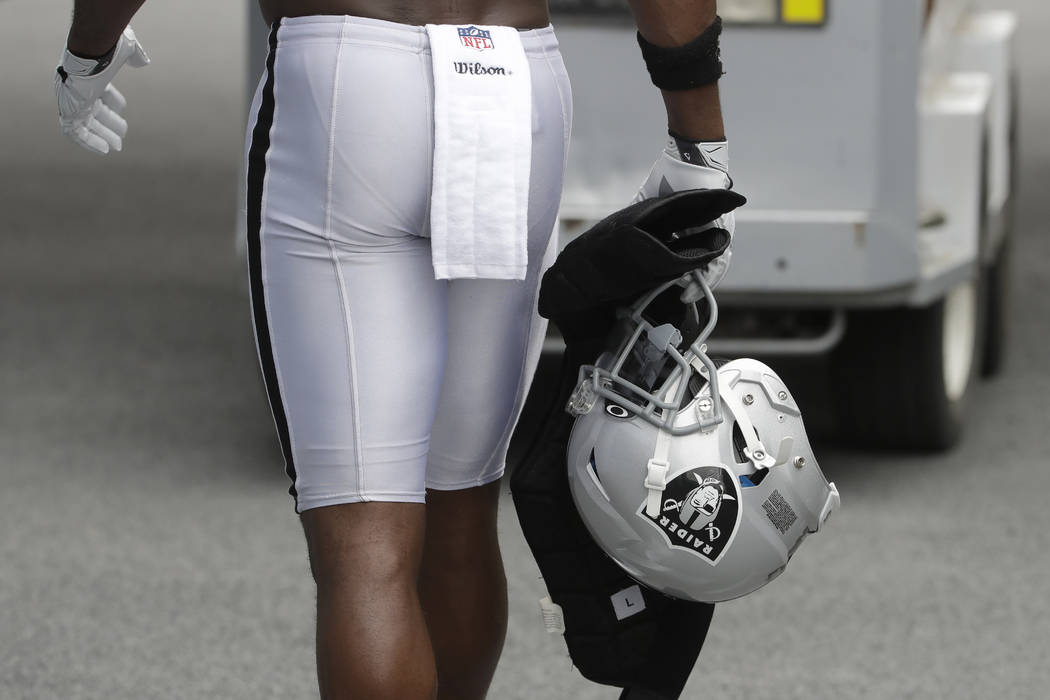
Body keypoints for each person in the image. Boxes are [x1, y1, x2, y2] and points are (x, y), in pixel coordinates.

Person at [55, 1, 731, 697]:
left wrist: (89, 50)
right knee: (461, 508)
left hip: (349, 77)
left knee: (365, 544)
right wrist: (699, 146)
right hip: (510, 74)